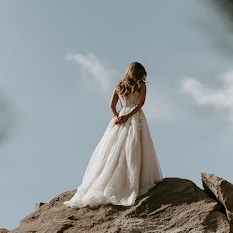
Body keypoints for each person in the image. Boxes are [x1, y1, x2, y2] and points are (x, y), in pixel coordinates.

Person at [64, 61, 163, 208]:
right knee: (133, 147)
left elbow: (112, 106)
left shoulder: (120, 85)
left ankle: (120, 180)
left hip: (122, 116)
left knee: (116, 149)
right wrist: (128, 115)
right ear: (139, 72)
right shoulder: (141, 85)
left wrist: (117, 116)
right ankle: (133, 182)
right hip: (134, 116)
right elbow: (140, 104)